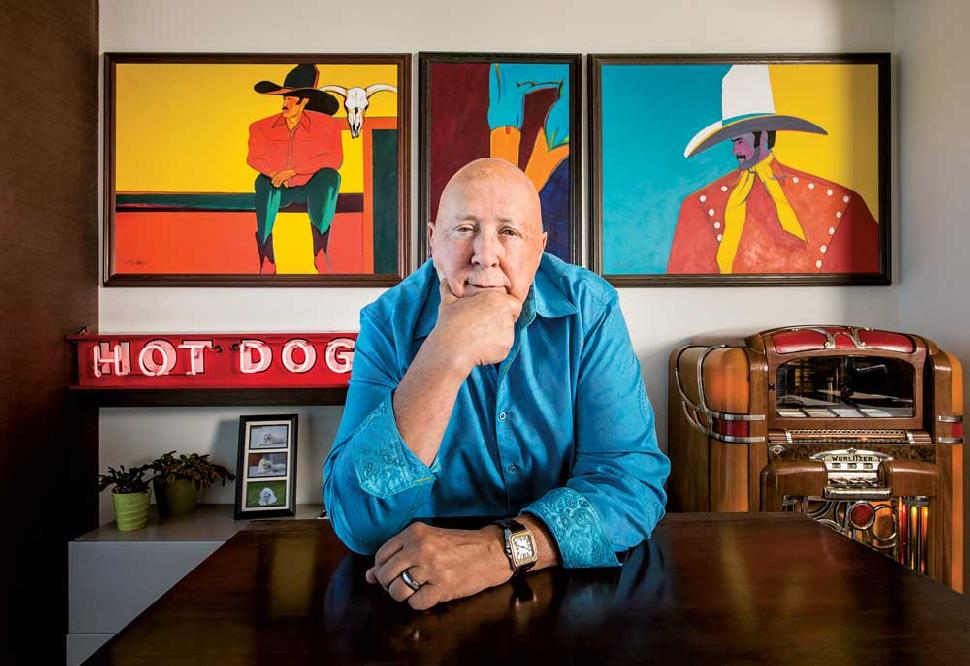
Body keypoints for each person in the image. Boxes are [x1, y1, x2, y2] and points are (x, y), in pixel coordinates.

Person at [323, 158, 669, 610]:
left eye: (509, 232)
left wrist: (501, 550)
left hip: (566, 595)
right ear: (432, 241)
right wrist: (446, 353)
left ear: (540, 247)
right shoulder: (388, 322)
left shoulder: (590, 309)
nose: (485, 254)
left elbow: (630, 483)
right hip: (417, 585)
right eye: (464, 229)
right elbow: (359, 522)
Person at [667, 64, 879, 275]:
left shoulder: (840, 203)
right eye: (733, 142)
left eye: (740, 141)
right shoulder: (700, 207)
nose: (735, 151)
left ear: (765, 136)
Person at [247, 64, 343, 275]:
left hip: (311, 187)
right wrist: (274, 174)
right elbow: (254, 157)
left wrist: (293, 171)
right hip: (276, 187)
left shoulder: (328, 126)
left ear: (305, 102)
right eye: (284, 98)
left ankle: (320, 251)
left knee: (330, 177)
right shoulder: (259, 127)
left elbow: (333, 158)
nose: (285, 103)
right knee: (261, 182)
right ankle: (266, 255)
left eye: (291, 98)